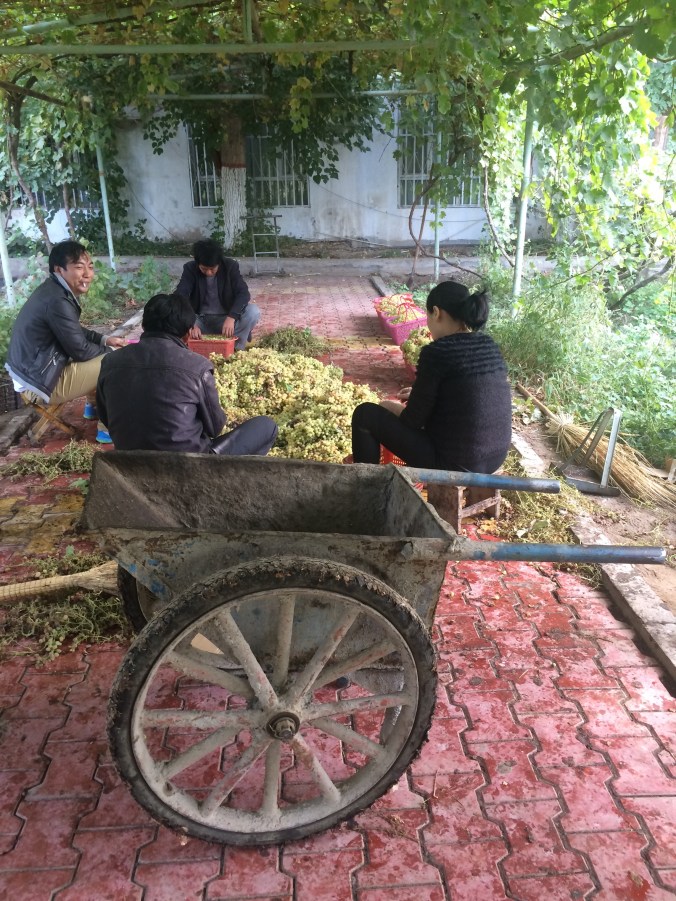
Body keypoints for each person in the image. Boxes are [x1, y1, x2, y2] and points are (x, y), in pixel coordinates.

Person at [351, 280, 512, 473]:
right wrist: (418, 394)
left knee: (365, 414)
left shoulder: (438, 351)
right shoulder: (488, 345)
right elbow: (466, 393)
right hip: (495, 457)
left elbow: (412, 420)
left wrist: (387, 406)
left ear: (436, 312)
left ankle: (366, 486)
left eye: (427, 316)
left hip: (454, 464)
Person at [96, 292, 277, 455]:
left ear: (144, 325)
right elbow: (215, 427)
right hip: (189, 467)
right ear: (188, 332)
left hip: (129, 461)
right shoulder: (197, 367)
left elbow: (106, 417)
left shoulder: (110, 362)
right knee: (266, 426)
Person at [4, 240, 126, 444]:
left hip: (34, 373)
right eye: (79, 267)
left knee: (105, 352)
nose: (88, 274)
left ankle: (93, 407)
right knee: (118, 361)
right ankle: (107, 428)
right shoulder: (57, 301)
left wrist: (105, 339)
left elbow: (73, 330)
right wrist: (112, 349)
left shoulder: (53, 291)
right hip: (39, 383)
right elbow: (81, 351)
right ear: (59, 270)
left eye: (90, 267)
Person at [175, 238, 259, 350]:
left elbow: (243, 293)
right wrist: (190, 323)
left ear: (219, 263)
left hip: (226, 322)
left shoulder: (230, 266)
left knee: (253, 311)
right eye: (204, 269)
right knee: (173, 314)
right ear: (197, 263)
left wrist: (231, 317)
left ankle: (236, 348)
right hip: (199, 321)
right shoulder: (190, 268)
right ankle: (191, 348)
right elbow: (181, 295)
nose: (209, 273)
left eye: (212, 269)